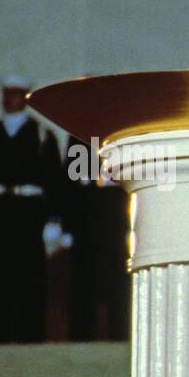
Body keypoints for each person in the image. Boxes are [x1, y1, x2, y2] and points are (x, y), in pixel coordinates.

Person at [0, 75, 63, 343]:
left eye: (17, 94)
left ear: (26, 98)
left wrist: (54, 220)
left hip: (28, 212)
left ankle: (29, 337)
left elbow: (54, 180)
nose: (10, 99)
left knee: (29, 277)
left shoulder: (43, 137)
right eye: (7, 94)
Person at [63, 135, 131, 340]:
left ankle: (120, 336)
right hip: (86, 216)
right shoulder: (78, 135)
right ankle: (80, 339)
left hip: (116, 214)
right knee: (83, 280)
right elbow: (70, 184)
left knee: (118, 280)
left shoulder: (124, 133)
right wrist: (66, 226)